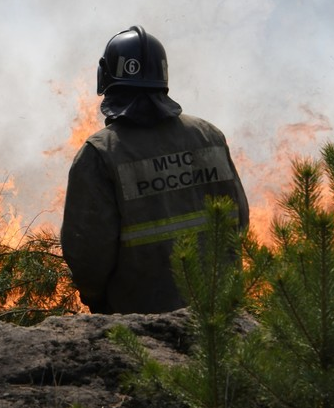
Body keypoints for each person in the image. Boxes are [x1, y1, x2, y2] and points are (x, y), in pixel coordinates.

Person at [61, 25, 250, 314]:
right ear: (163, 78)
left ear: (106, 79)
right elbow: (240, 221)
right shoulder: (209, 136)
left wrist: (97, 301)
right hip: (221, 320)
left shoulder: (100, 154)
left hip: (141, 329)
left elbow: (88, 254)